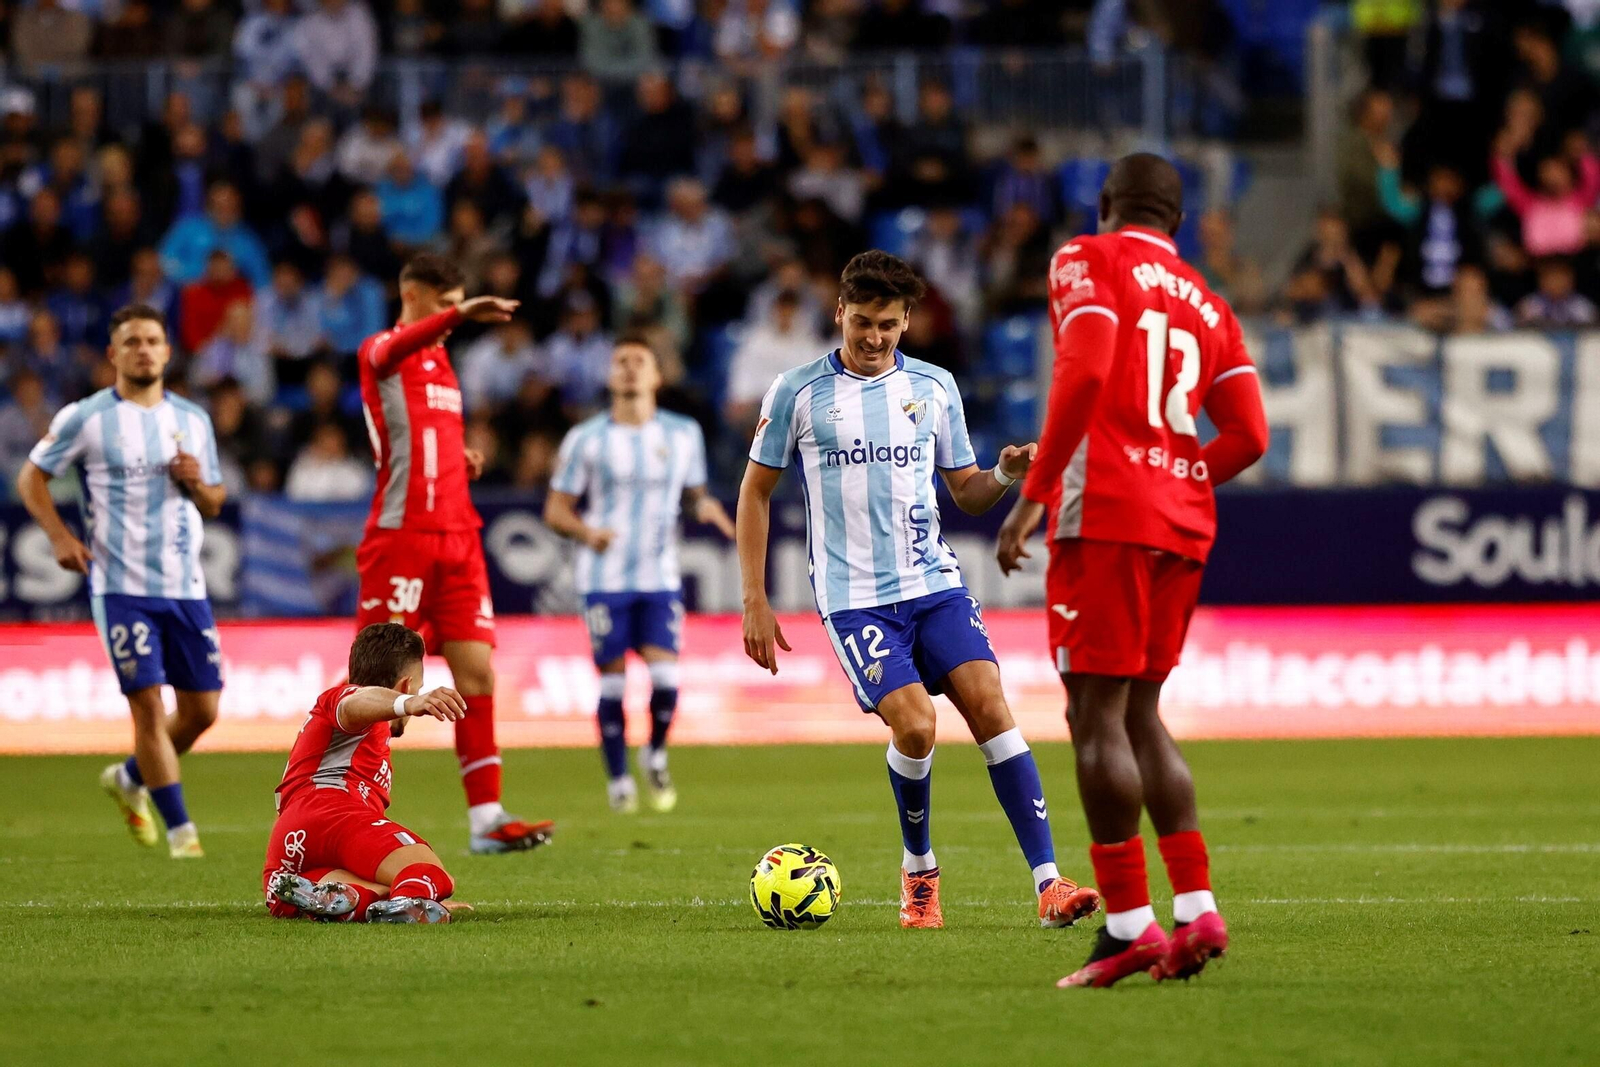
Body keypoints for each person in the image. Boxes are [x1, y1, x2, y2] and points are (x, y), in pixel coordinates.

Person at [736, 251, 1100, 932]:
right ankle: (919, 871)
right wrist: (754, 597)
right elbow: (755, 491)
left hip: (933, 583)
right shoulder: (796, 391)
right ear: (840, 312)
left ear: (909, 322)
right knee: (916, 723)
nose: (875, 338)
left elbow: (965, 488)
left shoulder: (935, 387)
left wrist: (1002, 472)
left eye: (890, 325)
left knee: (992, 705)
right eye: (864, 322)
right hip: (856, 598)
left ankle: (1050, 883)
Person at [995, 154, 1269, 987]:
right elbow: (1249, 434)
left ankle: (1127, 928)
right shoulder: (1210, 303)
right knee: (1142, 711)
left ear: (1107, 204)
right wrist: (1177, 475)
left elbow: (1086, 362)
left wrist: (1036, 493)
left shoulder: (1086, 257)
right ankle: (1194, 910)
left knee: (1095, 715)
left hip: (1107, 513)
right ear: (1178, 221)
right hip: (1183, 519)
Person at [355, 254, 555, 854]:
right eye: (443, 306)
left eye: (456, 308)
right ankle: (344, 809)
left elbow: (424, 436)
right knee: (380, 691)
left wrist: (457, 459)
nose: (450, 319)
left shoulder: (442, 363)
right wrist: (462, 315)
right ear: (412, 294)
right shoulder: (381, 351)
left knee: (476, 672)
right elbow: (392, 358)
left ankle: (487, 819)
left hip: (458, 535)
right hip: (402, 535)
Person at [14, 304, 228, 859]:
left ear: (167, 351)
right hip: (120, 584)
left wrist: (198, 483)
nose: (143, 350)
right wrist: (61, 537)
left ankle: (131, 778)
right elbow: (31, 477)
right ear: (113, 354)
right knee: (149, 709)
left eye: (152, 340)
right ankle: (184, 837)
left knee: (203, 710)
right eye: (131, 341)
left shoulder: (193, 420)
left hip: (186, 585)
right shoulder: (85, 418)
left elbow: (216, 500)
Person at [544, 337, 735, 813]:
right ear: (610, 377)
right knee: (612, 683)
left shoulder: (683, 433)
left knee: (667, 677)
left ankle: (655, 751)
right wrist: (587, 533)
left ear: (656, 376)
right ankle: (618, 780)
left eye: (639, 362)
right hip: (604, 579)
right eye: (621, 362)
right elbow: (555, 510)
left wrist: (705, 505)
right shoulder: (585, 438)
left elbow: (693, 493)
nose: (629, 369)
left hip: (660, 575)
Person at [264, 623, 465, 924]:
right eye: (418, 689)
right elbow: (353, 704)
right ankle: (413, 901)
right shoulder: (344, 700)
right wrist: (408, 703)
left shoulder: (364, 729)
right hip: (334, 815)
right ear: (406, 685)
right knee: (434, 875)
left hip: (289, 850)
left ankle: (348, 900)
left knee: (377, 891)